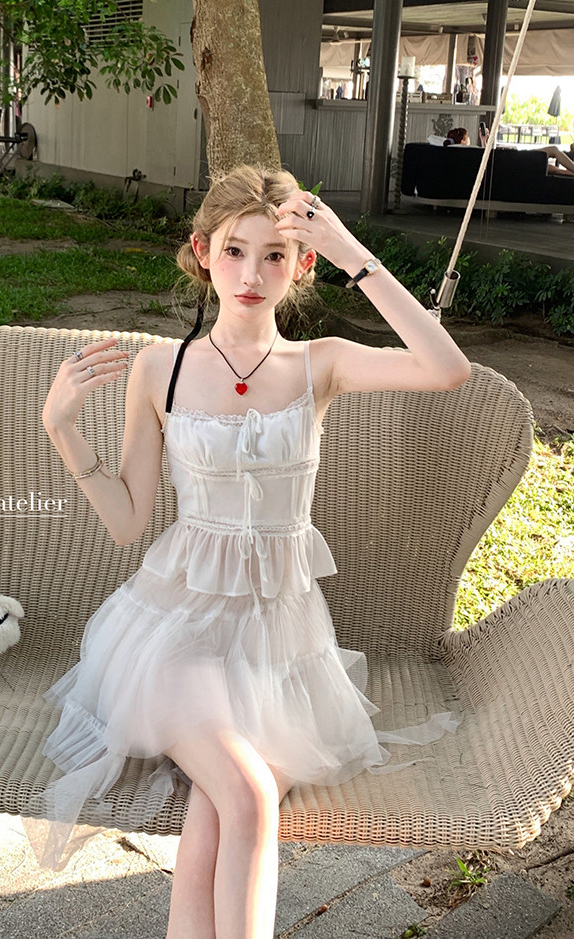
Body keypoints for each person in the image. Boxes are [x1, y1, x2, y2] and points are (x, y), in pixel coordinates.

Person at [36, 166, 471, 938]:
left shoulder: (318, 364)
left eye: (275, 255)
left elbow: (448, 368)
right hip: (177, 637)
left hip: (282, 648)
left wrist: (350, 249)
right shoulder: (160, 369)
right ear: (203, 251)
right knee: (244, 794)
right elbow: (128, 520)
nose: (250, 274)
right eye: (235, 251)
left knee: (220, 812)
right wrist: (61, 427)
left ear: (301, 265)